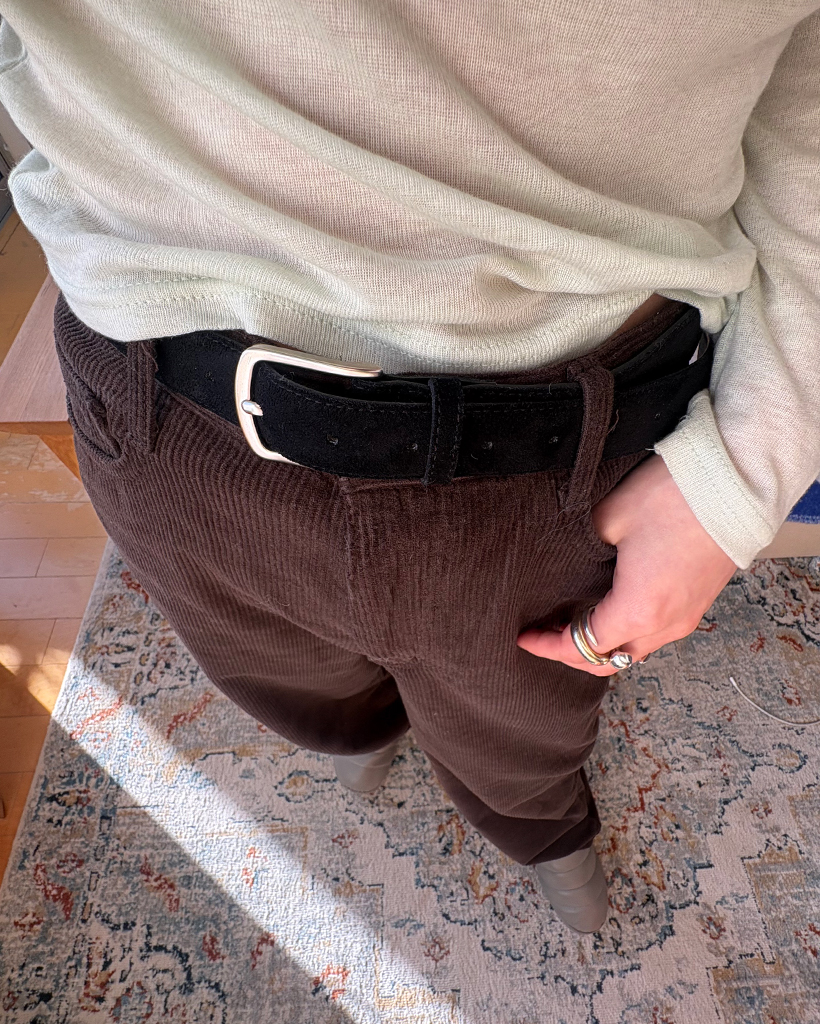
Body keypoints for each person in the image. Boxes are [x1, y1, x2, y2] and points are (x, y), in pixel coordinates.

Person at [1, 2, 818, 934]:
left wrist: (737, 477)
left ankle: (535, 827)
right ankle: (353, 732)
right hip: (163, 402)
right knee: (280, 674)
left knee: (524, 718)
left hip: (562, 440)